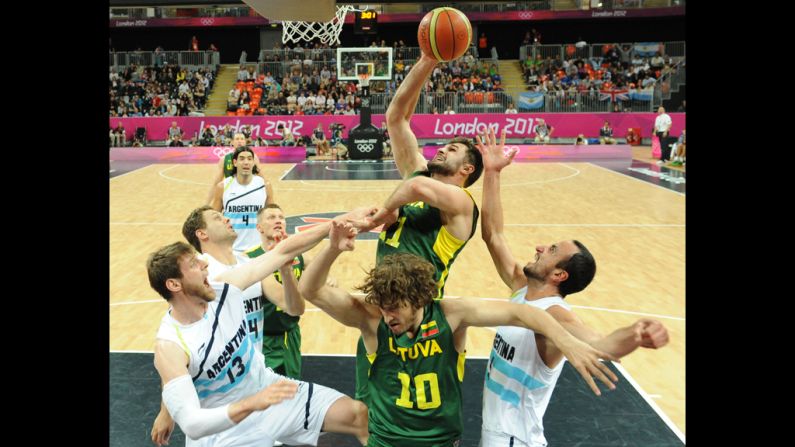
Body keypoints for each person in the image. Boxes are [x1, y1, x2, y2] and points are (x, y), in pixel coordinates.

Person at [297, 221, 618, 447]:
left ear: (419, 299)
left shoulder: (451, 316)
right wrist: (332, 249)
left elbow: (524, 313)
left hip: (440, 442)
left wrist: (566, 342)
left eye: (395, 307)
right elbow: (310, 290)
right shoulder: (373, 321)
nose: (388, 315)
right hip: (387, 441)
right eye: (383, 307)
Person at [475, 129, 670, 447]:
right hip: (499, 435)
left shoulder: (556, 317)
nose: (539, 247)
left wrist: (636, 333)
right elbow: (493, 235)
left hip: (514, 441)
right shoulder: (521, 289)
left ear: (559, 275)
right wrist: (493, 173)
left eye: (551, 250)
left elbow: (602, 344)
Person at [146, 216, 370, 447]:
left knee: (356, 414)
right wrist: (251, 404)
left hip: (267, 388)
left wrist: (333, 228)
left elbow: (283, 251)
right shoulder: (170, 346)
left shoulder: (225, 289)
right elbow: (192, 423)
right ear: (174, 285)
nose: (205, 264)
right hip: (223, 430)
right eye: (193, 264)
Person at [355, 52, 485, 407]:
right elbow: (396, 117)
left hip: (422, 321)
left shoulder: (462, 204)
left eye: (453, 150)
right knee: (369, 413)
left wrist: (385, 211)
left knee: (425, 413)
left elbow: (414, 190)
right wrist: (429, 59)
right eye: (443, 146)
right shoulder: (418, 173)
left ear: (467, 169)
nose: (442, 150)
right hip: (383, 311)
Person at [151, 205, 306, 446]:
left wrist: (286, 269)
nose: (227, 218)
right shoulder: (201, 274)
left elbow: (292, 307)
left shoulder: (247, 262)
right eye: (217, 217)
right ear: (202, 234)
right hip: (219, 394)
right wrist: (166, 410)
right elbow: (180, 342)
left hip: (252, 376)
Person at [211, 146, 274, 254]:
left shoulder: (264, 185)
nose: (246, 162)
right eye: (242, 159)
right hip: (231, 249)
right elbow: (213, 219)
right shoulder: (223, 187)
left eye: (250, 159)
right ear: (235, 162)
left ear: (253, 163)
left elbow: (271, 216)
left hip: (259, 248)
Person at [204, 132, 271, 206]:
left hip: (249, 193)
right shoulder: (224, 159)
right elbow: (216, 183)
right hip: (231, 195)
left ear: (245, 142)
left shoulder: (253, 158)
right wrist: (206, 204)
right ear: (232, 142)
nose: (240, 141)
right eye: (237, 139)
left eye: (242, 139)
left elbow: (263, 180)